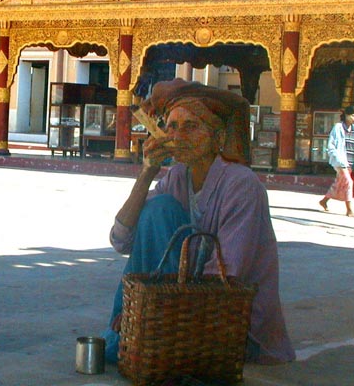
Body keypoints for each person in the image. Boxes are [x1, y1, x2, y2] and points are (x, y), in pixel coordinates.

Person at [103, 79, 295, 365]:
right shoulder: (176, 177)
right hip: (177, 309)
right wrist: (146, 172)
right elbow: (121, 240)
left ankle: (147, 331)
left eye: (191, 126)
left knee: (160, 211)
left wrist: (154, 310)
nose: (178, 135)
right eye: (172, 127)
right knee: (157, 209)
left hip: (227, 320)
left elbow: (226, 273)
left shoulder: (242, 184)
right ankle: (136, 329)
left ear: (218, 139)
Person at [319, 105, 354, 217]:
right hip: (340, 160)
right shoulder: (338, 127)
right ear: (346, 115)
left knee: (339, 183)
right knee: (348, 182)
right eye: (352, 115)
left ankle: (324, 200)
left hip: (350, 160)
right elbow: (331, 145)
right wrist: (337, 158)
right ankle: (349, 209)